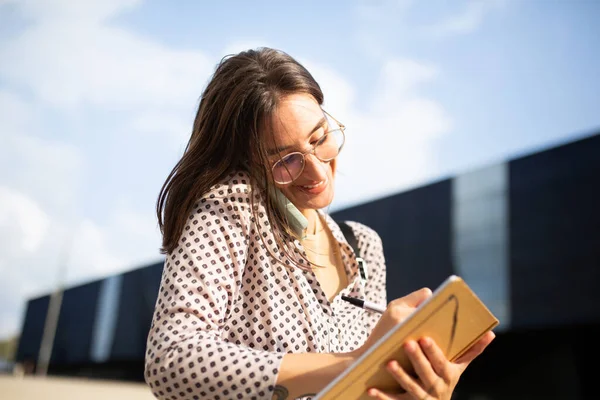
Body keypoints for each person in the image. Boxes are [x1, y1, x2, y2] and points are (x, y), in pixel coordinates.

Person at [145, 47, 495, 400]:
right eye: (287, 160)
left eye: (319, 138)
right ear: (246, 164)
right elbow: (171, 359)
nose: (315, 171)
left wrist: (419, 390)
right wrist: (356, 363)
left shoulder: (363, 246)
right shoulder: (227, 215)